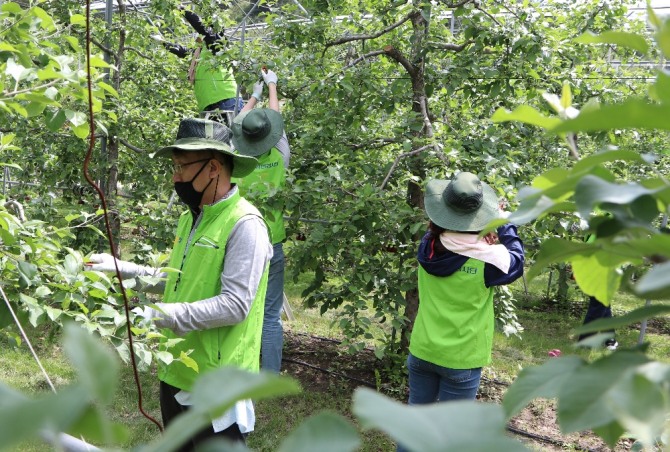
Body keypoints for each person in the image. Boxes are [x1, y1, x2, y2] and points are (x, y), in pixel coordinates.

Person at [86, 118, 272, 450]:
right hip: (177, 370)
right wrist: (121, 268)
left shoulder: (245, 225)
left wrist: (161, 314)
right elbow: (177, 280)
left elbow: (235, 305)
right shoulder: (191, 218)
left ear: (213, 167)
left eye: (181, 167)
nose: (175, 177)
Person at [405, 171, 525, 410]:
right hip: (462, 360)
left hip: (422, 351)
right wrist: (503, 222)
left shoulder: (426, 247)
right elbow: (517, 261)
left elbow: (442, 232)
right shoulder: (489, 262)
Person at [230, 68, 290, 374]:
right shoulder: (280, 154)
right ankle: (269, 376)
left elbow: (238, 126)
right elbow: (274, 120)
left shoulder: (236, 159)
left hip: (241, 239)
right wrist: (272, 87)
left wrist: (252, 97)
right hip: (273, 238)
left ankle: (240, 365)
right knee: (270, 314)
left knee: (238, 305)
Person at [155, 7, 243, 123]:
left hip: (225, 100)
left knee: (232, 139)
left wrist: (181, 8)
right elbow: (183, 52)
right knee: (214, 140)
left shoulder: (217, 46)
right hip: (209, 104)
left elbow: (204, 30)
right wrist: (163, 43)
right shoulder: (201, 51)